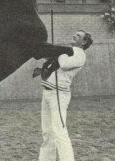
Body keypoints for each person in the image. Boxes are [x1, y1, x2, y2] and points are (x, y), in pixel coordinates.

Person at [34, 30, 93, 161]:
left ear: (83, 42)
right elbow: (52, 60)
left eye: (78, 35)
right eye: (75, 34)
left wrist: (58, 52)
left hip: (58, 95)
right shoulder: (68, 51)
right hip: (47, 92)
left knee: (59, 132)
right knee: (47, 132)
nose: (74, 35)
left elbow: (65, 64)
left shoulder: (80, 54)